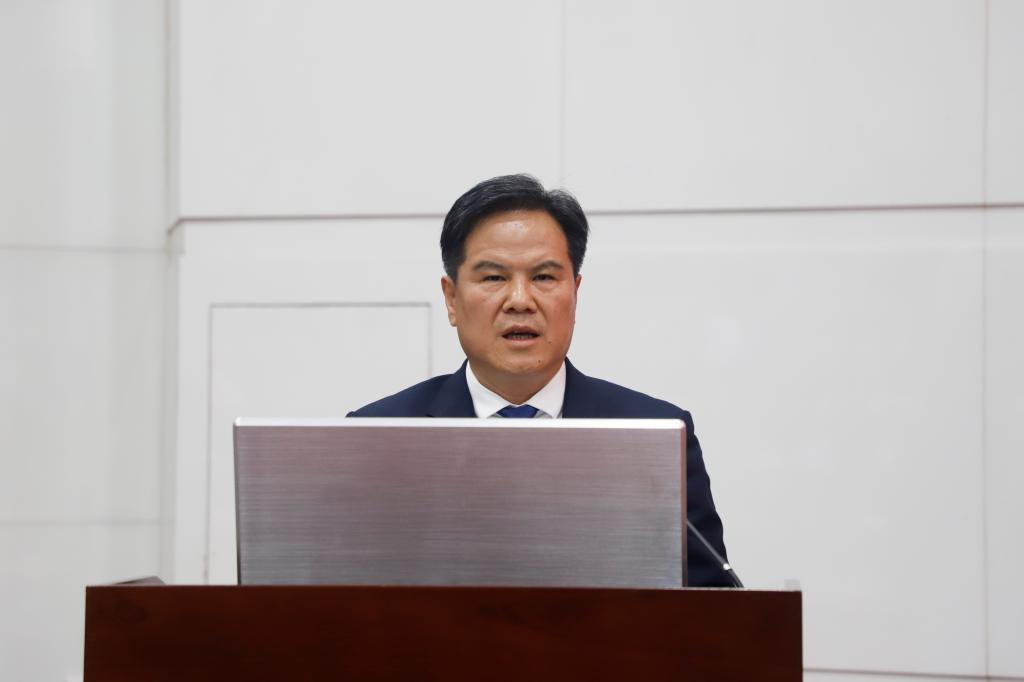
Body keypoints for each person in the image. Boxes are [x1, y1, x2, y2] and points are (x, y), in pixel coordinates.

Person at [349, 174, 733, 587]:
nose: (520, 300)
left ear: (575, 292)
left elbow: (710, 603)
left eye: (544, 277)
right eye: (494, 277)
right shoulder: (378, 437)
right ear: (452, 299)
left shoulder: (655, 436)